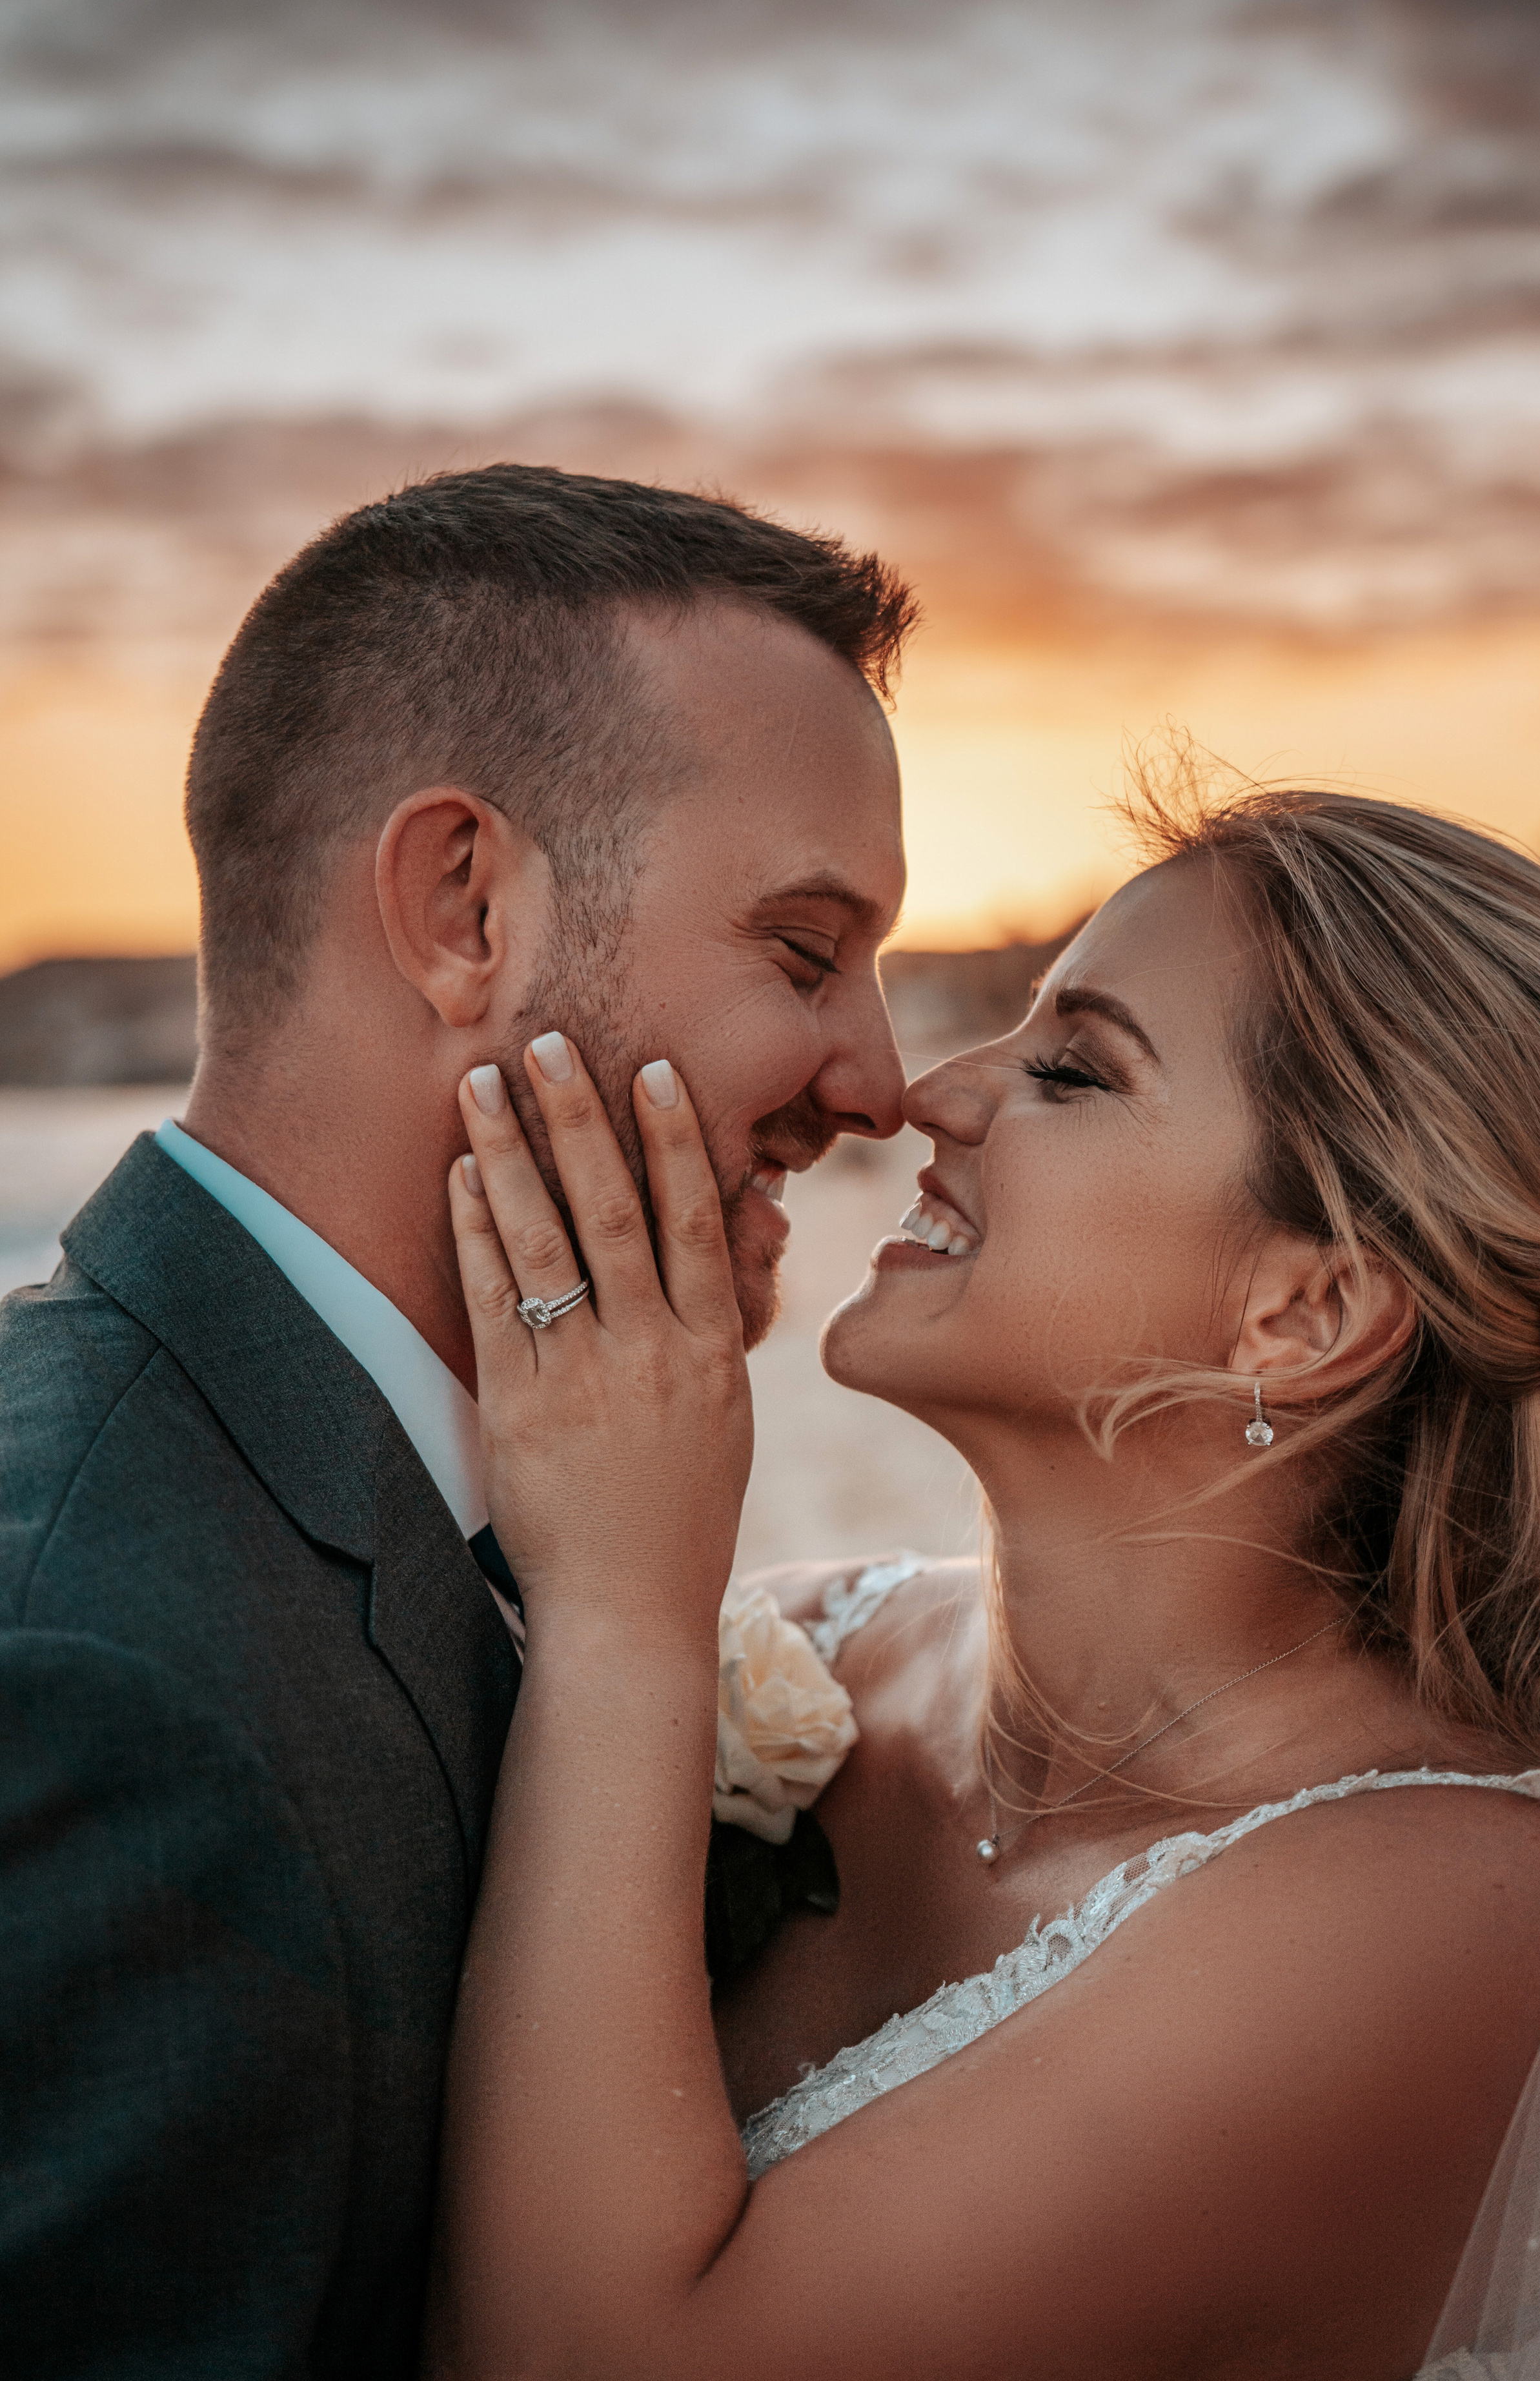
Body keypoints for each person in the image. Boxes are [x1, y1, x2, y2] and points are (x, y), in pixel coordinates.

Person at [423, 773, 1540, 2380]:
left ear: (1305, 1309)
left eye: (1071, 1068)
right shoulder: (805, 1647)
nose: (930, 1092)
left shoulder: (1463, 1916)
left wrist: (619, 1613)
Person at [0, 464, 914, 2376]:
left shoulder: (386, 1496)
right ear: (464, 908)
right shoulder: (97, 1672)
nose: (881, 1080)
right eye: (808, 953)